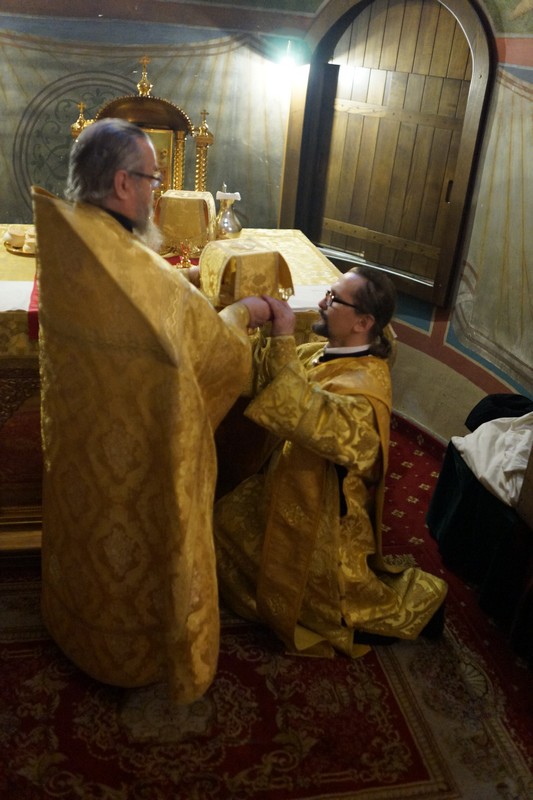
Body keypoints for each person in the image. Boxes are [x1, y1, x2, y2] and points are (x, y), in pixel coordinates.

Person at [33, 118, 271, 703]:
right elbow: (218, 355)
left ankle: (75, 621)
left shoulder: (68, 242)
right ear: (122, 184)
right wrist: (247, 312)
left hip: (83, 445)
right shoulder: (155, 286)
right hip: (137, 462)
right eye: (152, 181)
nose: (156, 195)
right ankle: (136, 645)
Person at [214, 267, 448, 657]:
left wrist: (283, 335)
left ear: (363, 323)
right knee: (222, 520)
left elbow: (302, 414)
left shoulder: (364, 392)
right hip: (288, 480)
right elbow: (273, 381)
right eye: (327, 293)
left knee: (330, 604)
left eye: (334, 299)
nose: (322, 303)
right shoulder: (324, 352)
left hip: (320, 517)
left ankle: (417, 612)